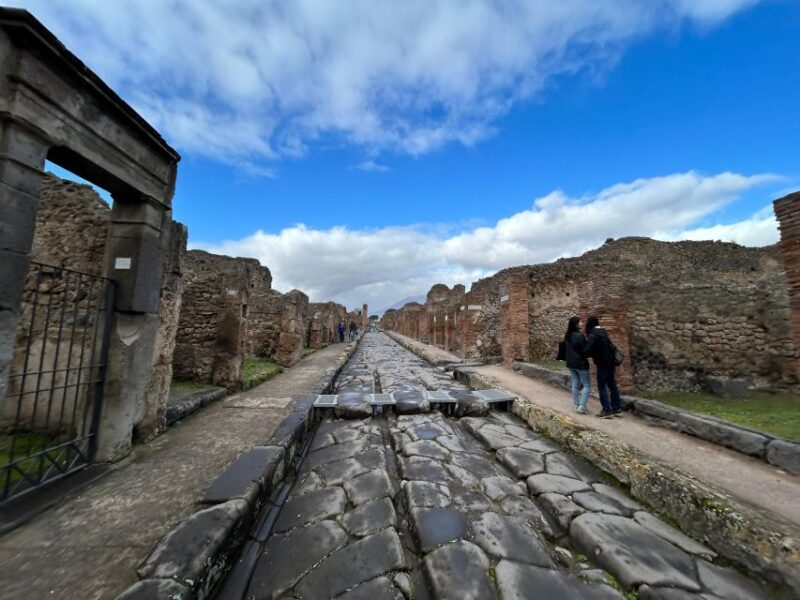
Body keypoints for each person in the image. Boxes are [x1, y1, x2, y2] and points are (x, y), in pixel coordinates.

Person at [583, 315, 623, 418]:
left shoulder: (593, 335)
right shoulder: (604, 333)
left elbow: (587, 350)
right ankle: (617, 408)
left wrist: (582, 353)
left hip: (602, 364)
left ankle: (606, 410)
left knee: (602, 387)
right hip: (610, 363)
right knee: (612, 386)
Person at [564, 316, 590, 414]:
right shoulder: (580, 336)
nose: (582, 323)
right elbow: (585, 349)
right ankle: (582, 406)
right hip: (580, 363)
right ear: (576, 324)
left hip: (571, 363)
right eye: (580, 322)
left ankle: (576, 405)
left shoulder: (567, 335)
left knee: (575, 384)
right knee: (586, 385)